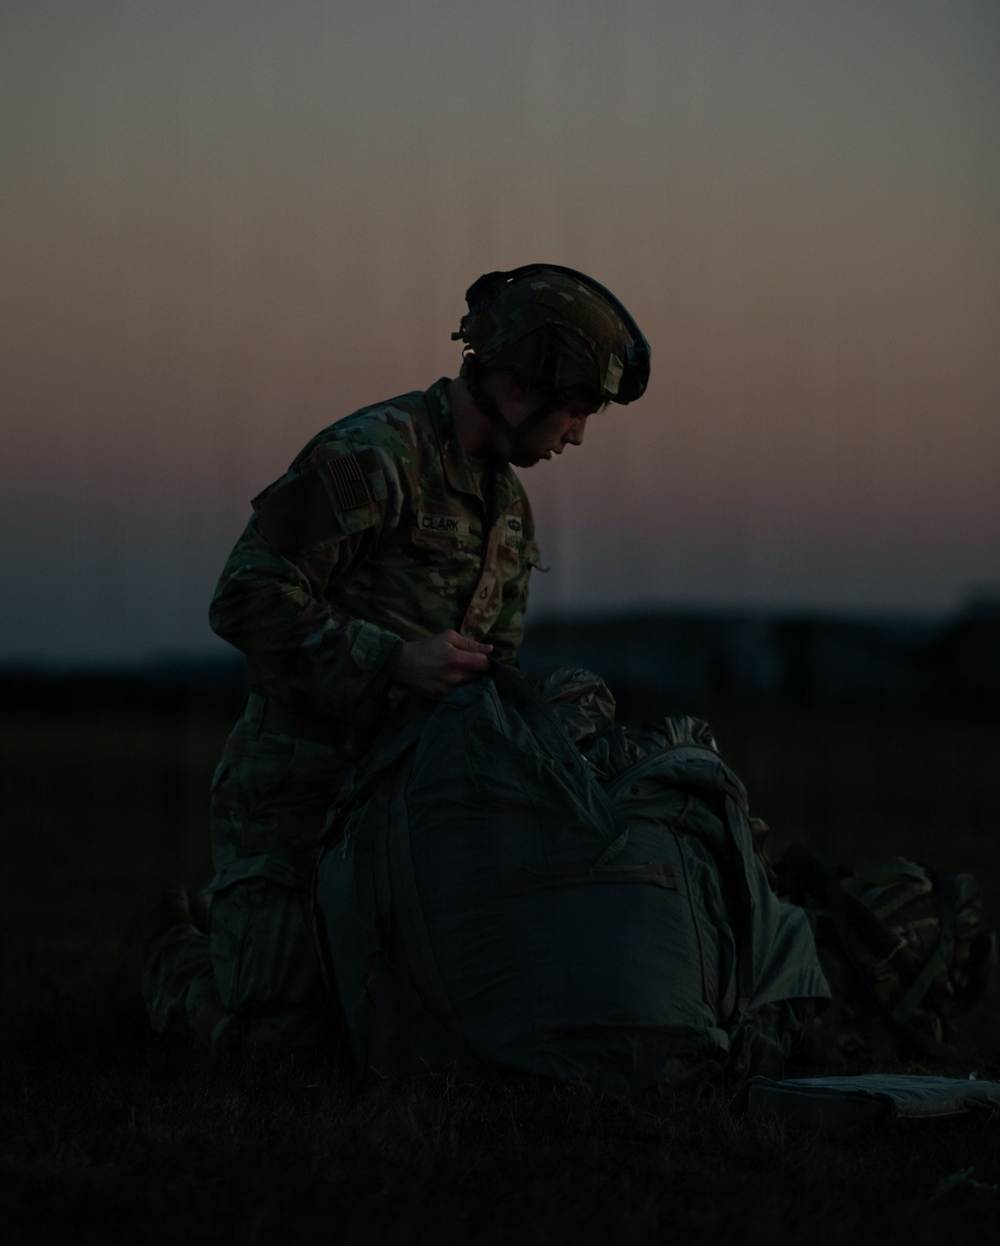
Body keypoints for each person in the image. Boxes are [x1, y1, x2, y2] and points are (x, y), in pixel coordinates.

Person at [113, 266, 650, 1050]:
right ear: (525, 381)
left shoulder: (509, 512)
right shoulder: (374, 456)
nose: (577, 434)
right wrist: (392, 662)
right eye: (576, 409)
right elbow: (244, 594)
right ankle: (169, 945)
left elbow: (491, 673)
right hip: (296, 792)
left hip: (410, 807)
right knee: (278, 1042)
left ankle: (260, 931)